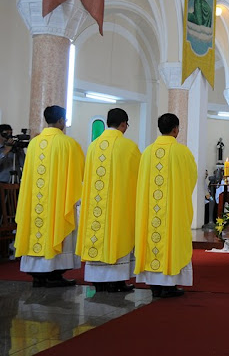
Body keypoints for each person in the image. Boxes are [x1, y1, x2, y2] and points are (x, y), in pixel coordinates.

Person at [14, 105, 84, 287]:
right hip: (57, 202)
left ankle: (38, 275)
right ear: (61, 120)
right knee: (57, 229)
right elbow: (79, 172)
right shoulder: (68, 143)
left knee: (35, 231)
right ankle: (54, 274)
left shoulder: (34, 143)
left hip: (34, 203)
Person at [76, 108, 141, 292]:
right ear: (123, 124)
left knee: (96, 235)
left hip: (95, 207)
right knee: (116, 237)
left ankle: (97, 280)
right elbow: (139, 177)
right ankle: (116, 280)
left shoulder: (93, 146)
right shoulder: (128, 147)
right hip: (117, 207)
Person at [134, 113, 197, 298]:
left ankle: (154, 285)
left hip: (150, 212)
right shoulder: (182, 152)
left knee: (151, 240)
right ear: (176, 129)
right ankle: (169, 285)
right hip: (173, 211)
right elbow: (191, 178)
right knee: (172, 240)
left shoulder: (147, 152)